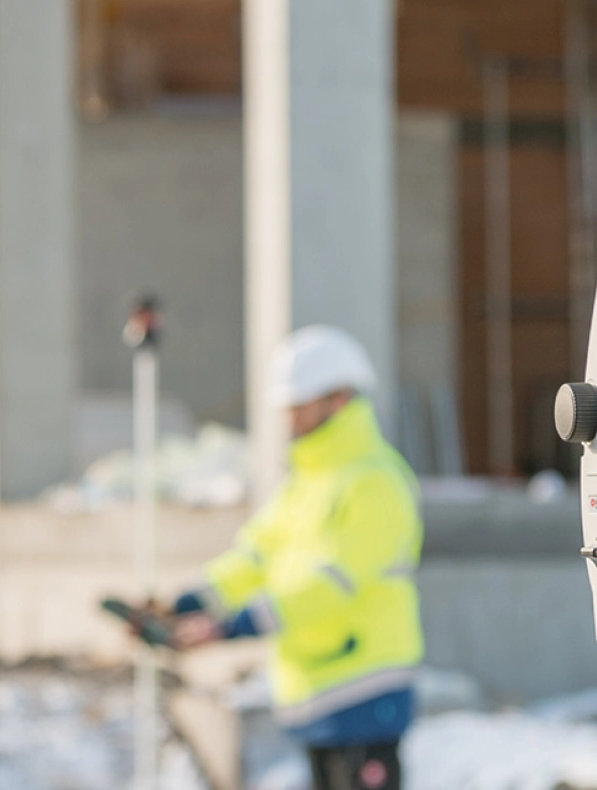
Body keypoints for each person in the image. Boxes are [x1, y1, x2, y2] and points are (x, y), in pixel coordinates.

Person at [169, 325, 422, 790]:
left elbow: (334, 583)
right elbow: (254, 558)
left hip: (365, 689)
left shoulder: (376, 482)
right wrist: (187, 603)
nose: (289, 420)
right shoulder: (305, 483)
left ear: (339, 398)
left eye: (299, 406)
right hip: (315, 691)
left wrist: (234, 625)